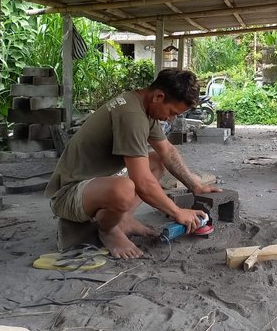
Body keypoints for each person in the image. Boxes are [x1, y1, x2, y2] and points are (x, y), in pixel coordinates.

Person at [45, 68, 221, 259]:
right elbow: (143, 184)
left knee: (156, 161)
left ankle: (124, 219)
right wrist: (178, 212)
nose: (170, 119)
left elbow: (167, 151)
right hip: (68, 194)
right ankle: (108, 231)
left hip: (92, 185)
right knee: (124, 189)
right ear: (159, 97)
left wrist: (196, 186)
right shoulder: (131, 115)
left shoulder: (143, 107)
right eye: (172, 112)